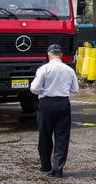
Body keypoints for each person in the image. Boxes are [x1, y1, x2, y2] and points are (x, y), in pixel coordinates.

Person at [30, 44, 79, 177]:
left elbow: (34, 88)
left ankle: (45, 165)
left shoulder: (43, 69)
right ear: (61, 55)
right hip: (63, 103)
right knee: (62, 136)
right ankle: (58, 168)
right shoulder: (69, 70)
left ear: (49, 55)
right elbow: (75, 89)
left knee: (45, 135)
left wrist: (45, 90)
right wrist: (62, 92)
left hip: (46, 104)